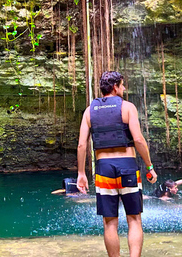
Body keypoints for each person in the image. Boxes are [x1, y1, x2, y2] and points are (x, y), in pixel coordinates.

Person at [76, 71, 158, 257]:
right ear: (115, 87)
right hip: (127, 165)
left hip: (103, 167)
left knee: (109, 221)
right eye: (122, 85)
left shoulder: (89, 111)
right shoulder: (127, 107)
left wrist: (81, 173)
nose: (124, 88)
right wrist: (149, 166)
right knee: (134, 219)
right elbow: (138, 139)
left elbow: (82, 144)